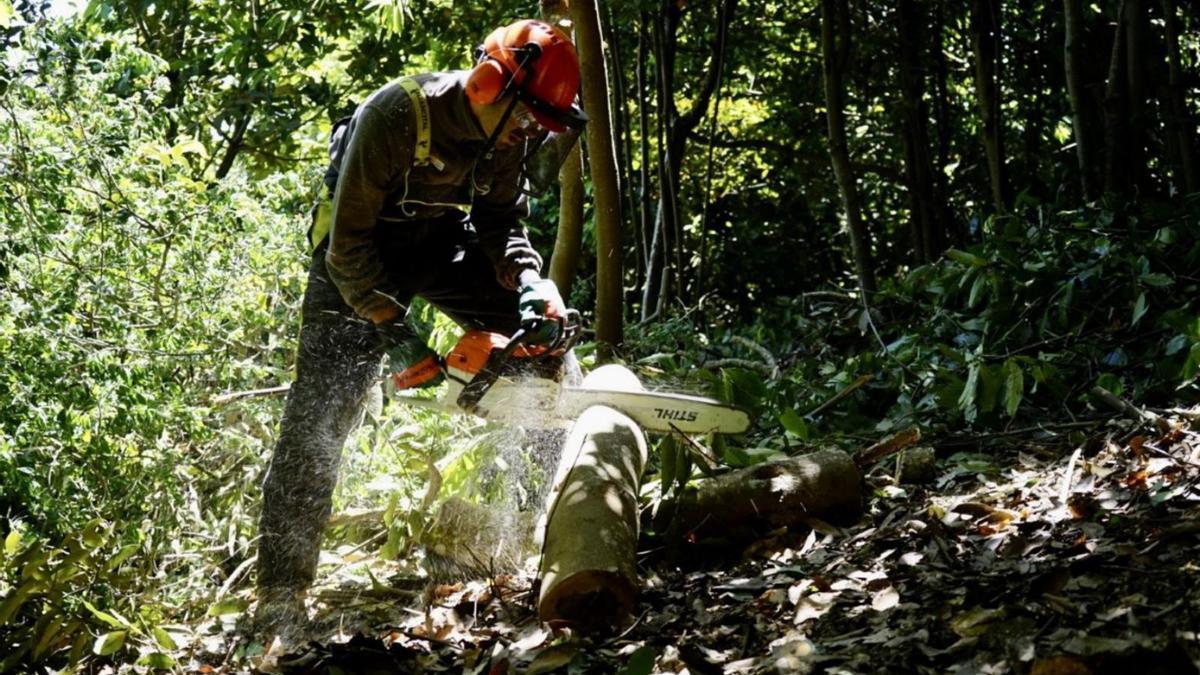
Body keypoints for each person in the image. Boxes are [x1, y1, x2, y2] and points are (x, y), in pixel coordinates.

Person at [253, 19, 587, 632]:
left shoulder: (514, 133)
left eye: (541, 122)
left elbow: (500, 221)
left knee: (552, 358)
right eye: (527, 116)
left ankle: (530, 531)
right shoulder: (396, 114)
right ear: (490, 85)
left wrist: (531, 284)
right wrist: (395, 329)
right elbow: (347, 246)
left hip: (438, 240)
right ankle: (280, 591)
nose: (531, 130)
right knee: (319, 415)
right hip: (355, 257)